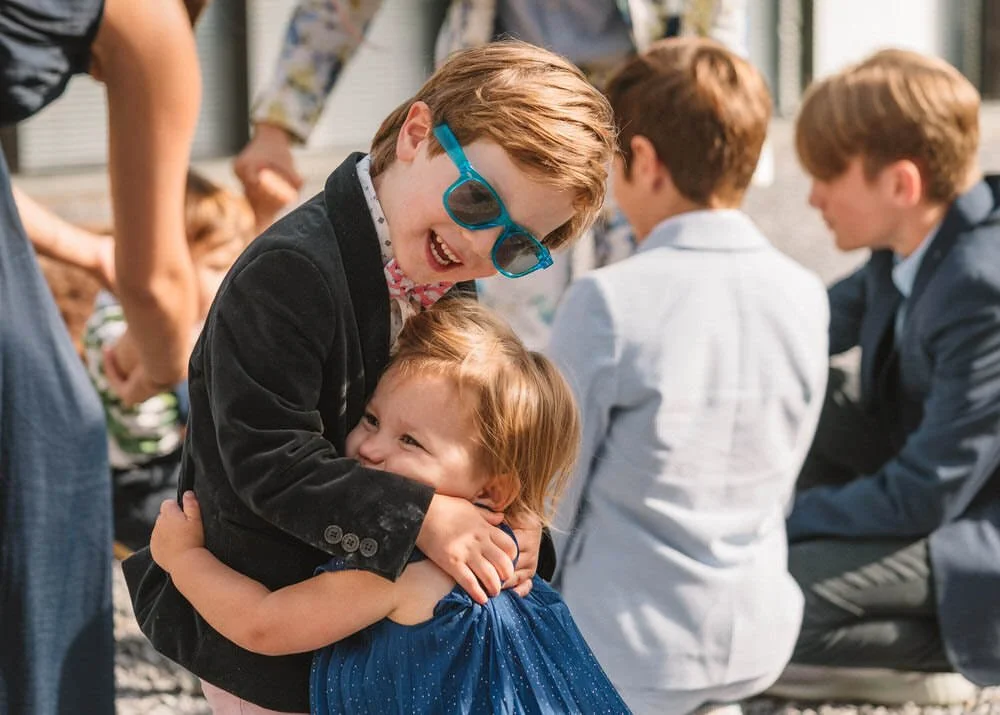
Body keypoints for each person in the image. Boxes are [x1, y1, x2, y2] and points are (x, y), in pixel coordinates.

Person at [123, 40, 616, 714]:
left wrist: (514, 512)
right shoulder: (290, 272)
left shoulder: (442, 268)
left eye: (515, 245)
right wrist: (423, 516)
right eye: (476, 201)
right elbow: (270, 462)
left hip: (366, 621)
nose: (478, 246)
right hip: (271, 614)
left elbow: (472, 419)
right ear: (417, 135)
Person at [148, 298, 631, 714]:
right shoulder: (506, 548)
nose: (371, 448)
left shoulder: (397, 570)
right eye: (371, 418)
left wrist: (184, 559)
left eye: (411, 442)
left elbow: (262, 626)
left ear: (493, 491)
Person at [547, 37, 830, 715]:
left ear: (643, 161)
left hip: (624, 643)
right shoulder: (804, 291)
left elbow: (550, 501)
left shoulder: (606, 301)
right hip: (756, 630)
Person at [234, 0, 750, 349]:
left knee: (647, 332)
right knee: (502, 341)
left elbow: (717, 33)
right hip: (506, 124)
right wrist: (279, 123)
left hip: (645, 127)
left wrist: (715, 170)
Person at [767, 49, 1000, 705]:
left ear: (901, 184)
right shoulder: (919, 236)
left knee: (778, 587)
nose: (811, 197)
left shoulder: (984, 284)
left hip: (975, 529)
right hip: (939, 481)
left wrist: (776, 516)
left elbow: (927, 494)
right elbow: (802, 330)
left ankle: (937, 660)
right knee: (808, 394)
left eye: (827, 176)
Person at [0, 0, 203, 713]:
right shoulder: (151, 19)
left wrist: (86, 251)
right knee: (56, 444)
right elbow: (157, 287)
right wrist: (160, 361)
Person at [84, 171, 255, 553]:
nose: (232, 278)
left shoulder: (211, 317)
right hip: (137, 482)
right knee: (209, 541)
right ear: (169, 265)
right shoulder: (116, 324)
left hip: (190, 466)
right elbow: (142, 418)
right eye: (217, 266)